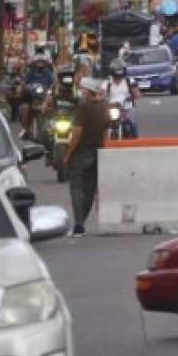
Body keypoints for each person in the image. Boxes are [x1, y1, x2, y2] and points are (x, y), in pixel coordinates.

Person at [65, 78, 110, 237]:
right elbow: (106, 132)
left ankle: (78, 224)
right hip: (98, 151)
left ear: (87, 90)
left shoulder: (83, 107)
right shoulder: (104, 106)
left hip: (81, 152)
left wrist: (68, 154)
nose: (81, 91)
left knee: (76, 188)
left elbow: (76, 134)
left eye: (82, 89)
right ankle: (80, 223)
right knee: (90, 189)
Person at [101, 61, 141, 137]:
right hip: (112, 109)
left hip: (127, 109)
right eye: (117, 75)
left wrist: (133, 96)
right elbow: (102, 94)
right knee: (103, 124)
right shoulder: (107, 83)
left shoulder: (129, 81)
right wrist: (102, 99)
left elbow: (137, 94)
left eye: (120, 75)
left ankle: (135, 138)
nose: (119, 77)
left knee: (131, 124)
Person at [19, 54, 55, 139]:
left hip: (45, 97)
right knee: (23, 108)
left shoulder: (49, 74)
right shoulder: (30, 72)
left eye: (42, 62)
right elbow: (24, 82)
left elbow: (53, 84)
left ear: (45, 64)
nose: (40, 64)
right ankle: (25, 128)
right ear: (34, 63)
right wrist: (25, 86)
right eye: (38, 62)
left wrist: (51, 89)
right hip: (31, 97)